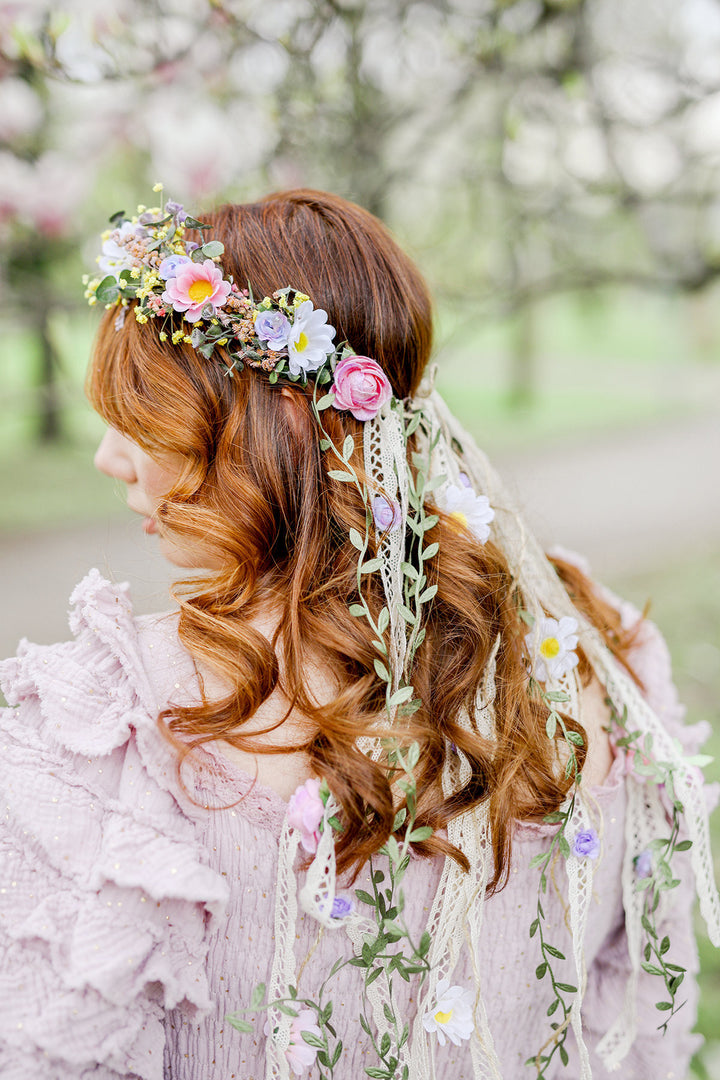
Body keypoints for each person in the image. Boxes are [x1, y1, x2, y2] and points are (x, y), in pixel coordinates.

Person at [0, 188, 717, 1080]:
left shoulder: (104, 730)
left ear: (272, 421)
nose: (109, 458)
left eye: (145, 419)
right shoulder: (592, 654)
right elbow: (636, 1036)